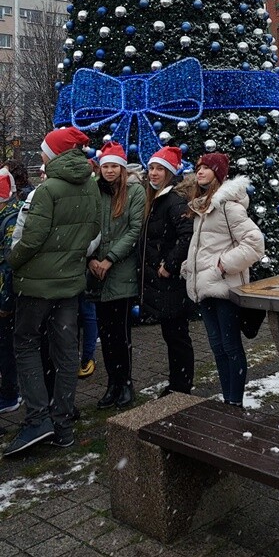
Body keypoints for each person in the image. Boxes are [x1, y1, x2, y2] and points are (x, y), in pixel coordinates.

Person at [4, 127, 101, 457]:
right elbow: (93, 235)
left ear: (54, 154)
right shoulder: (90, 185)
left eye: (44, 149)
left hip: (37, 285)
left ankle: (37, 419)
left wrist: (12, 261)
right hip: (70, 284)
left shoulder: (46, 191)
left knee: (26, 343)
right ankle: (62, 425)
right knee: (64, 351)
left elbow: (29, 240)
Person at [180, 153, 264, 407]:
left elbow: (255, 243)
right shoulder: (202, 206)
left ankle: (235, 403)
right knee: (217, 348)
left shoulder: (228, 206)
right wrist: (190, 267)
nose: (200, 171)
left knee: (231, 347)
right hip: (204, 287)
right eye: (198, 167)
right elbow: (205, 246)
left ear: (218, 173)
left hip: (225, 289)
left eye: (206, 167)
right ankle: (228, 402)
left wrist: (222, 265)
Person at [87, 141, 145, 409]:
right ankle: (112, 383)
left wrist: (109, 259)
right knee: (106, 334)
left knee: (121, 334)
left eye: (114, 166)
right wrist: (91, 259)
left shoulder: (134, 192)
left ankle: (126, 383)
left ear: (122, 169)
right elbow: (85, 226)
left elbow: (134, 230)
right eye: (105, 166)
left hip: (120, 272)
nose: (109, 170)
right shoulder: (93, 191)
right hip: (96, 273)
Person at [139, 146, 194, 396]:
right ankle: (177, 382)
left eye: (160, 169)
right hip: (162, 283)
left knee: (177, 336)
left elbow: (186, 235)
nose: (153, 173)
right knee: (171, 335)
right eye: (151, 168)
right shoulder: (156, 199)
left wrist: (169, 265)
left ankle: (181, 386)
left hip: (171, 283)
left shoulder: (173, 201)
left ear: (170, 173)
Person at [0, 173, 22, 415]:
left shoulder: (10, 219)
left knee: (6, 346)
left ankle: (10, 393)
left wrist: (6, 300)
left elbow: (8, 264)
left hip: (4, 294)